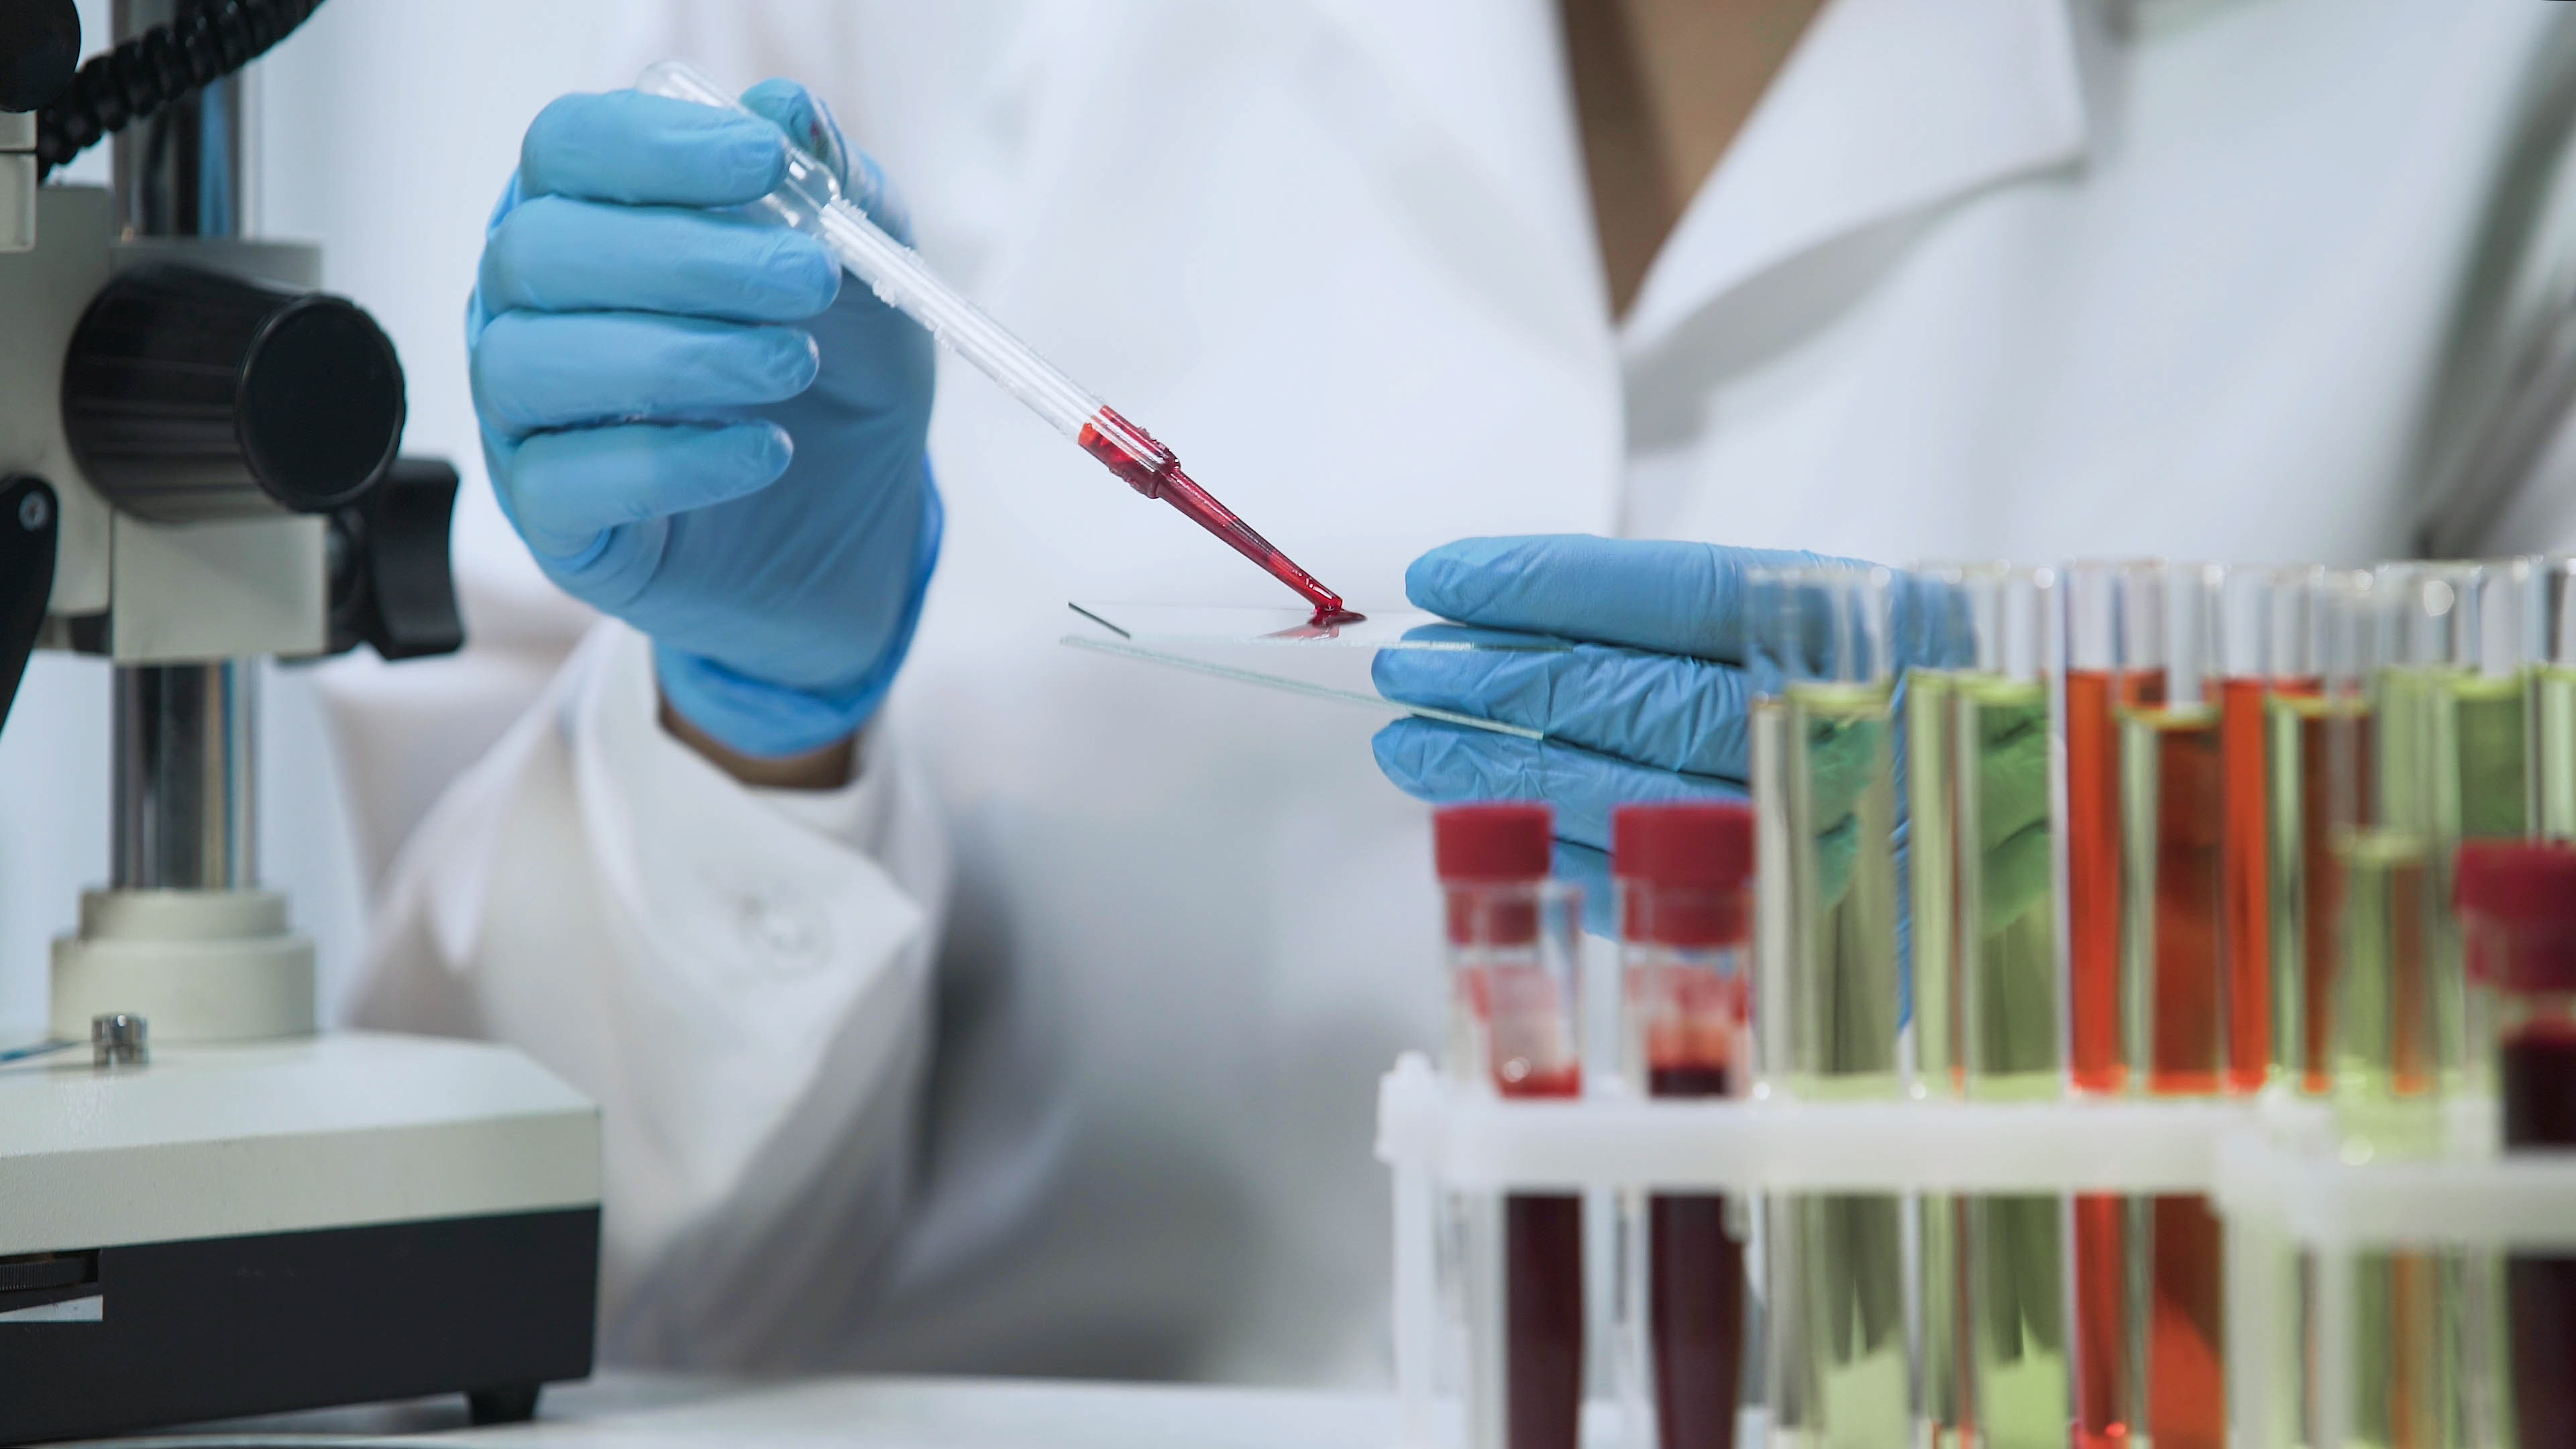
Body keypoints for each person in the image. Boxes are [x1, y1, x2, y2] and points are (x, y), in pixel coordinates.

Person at [297, 0, 2576, 1382]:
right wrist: (743, 730)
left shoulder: (2481, 89)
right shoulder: (900, 42)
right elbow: (544, 1278)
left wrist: (2138, 914)